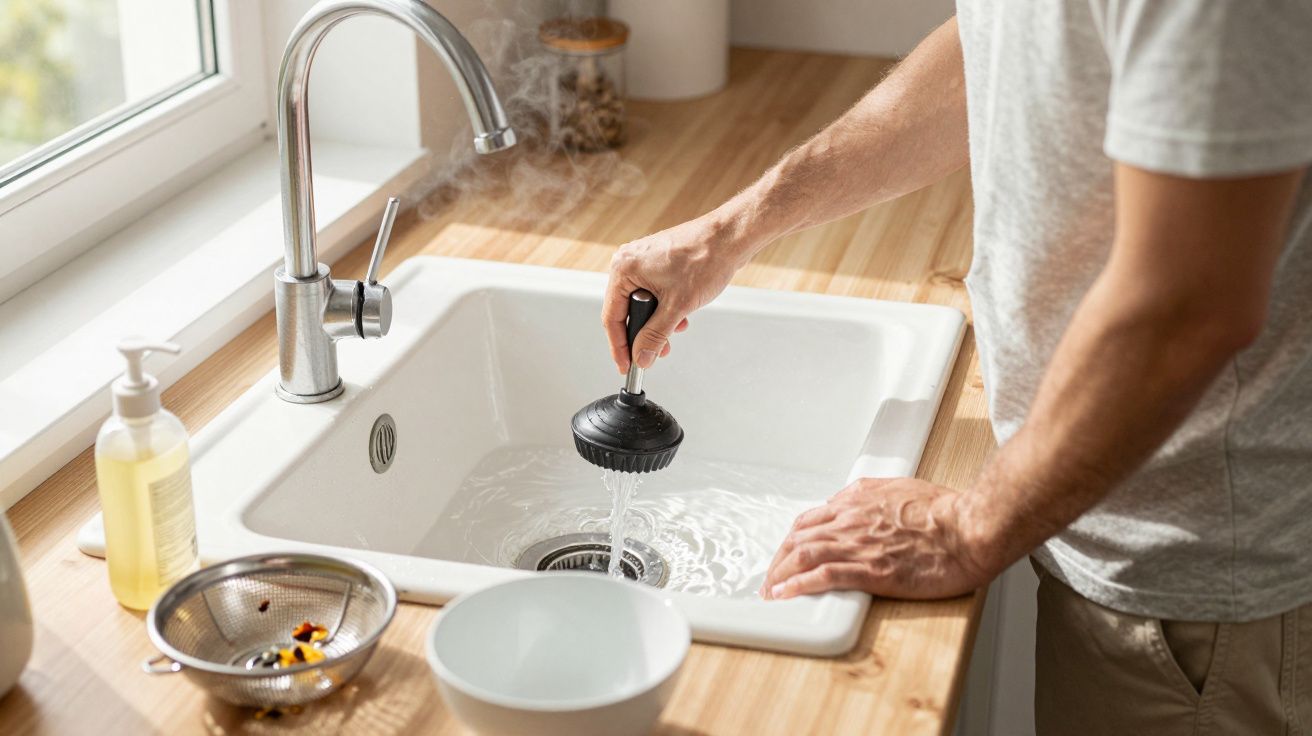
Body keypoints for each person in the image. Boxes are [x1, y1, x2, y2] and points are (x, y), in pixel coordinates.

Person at [600, 4, 1312, 734]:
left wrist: (969, 529)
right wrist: (730, 230)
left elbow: (1191, 302)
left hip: (1194, 584)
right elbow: (1000, 45)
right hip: (1106, 513)